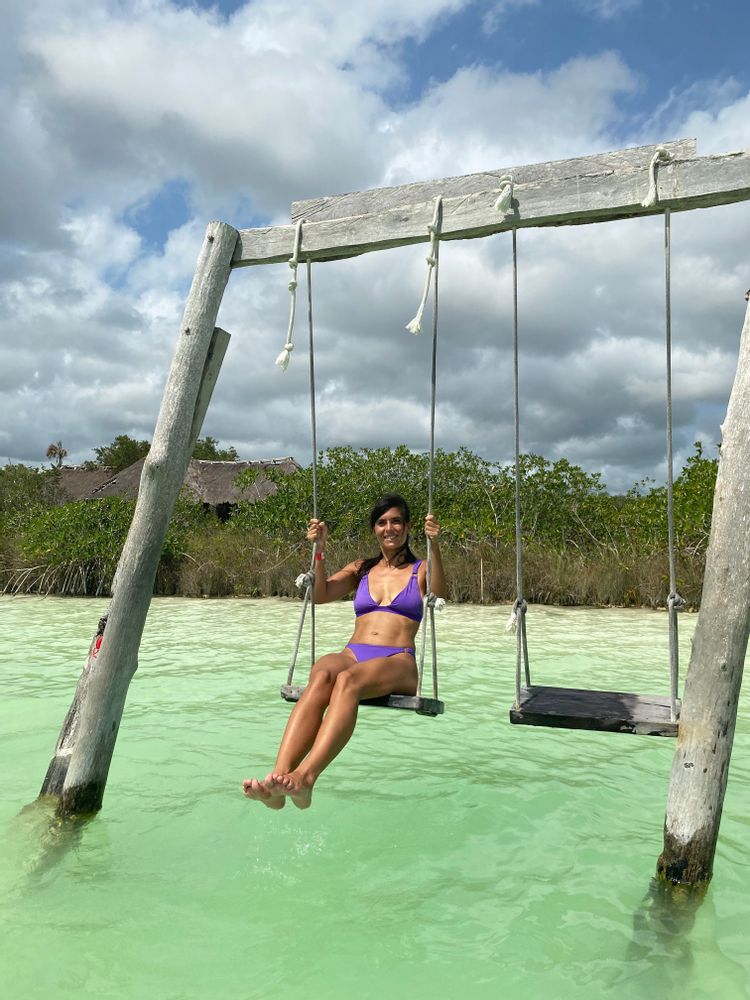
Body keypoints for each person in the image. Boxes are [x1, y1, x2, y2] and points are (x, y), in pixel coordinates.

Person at [243, 493, 446, 810]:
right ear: (374, 529)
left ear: (408, 528)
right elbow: (320, 595)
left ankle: (306, 779)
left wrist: (435, 547)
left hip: (398, 660)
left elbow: (439, 594)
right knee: (323, 671)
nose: (388, 528)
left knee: (348, 681)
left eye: (396, 521)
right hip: (354, 652)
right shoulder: (361, 569)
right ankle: (279, 781)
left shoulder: (420, 569)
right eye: (381, 522)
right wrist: (319, 553)